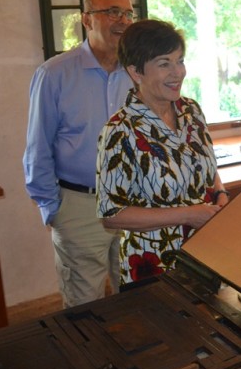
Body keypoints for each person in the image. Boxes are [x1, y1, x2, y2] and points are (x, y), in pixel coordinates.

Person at [23, 0, 136, 308]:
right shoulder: (55, 73)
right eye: (113, 12)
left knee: (138, 297)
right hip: (79, 204)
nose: (123, 21)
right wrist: (52, 209)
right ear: (87, 19)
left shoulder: (138, 72)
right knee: (84, 307)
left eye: (128, 14)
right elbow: (38, 147)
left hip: (135, 203)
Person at [96, 19, 229, 286]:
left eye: (180, 60)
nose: (177, 72)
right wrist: (188, 214)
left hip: (205, 255)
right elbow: (111, 216)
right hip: (152, 266)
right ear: (136, 72)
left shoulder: (191, 110)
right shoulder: (120, 129)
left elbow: (208, 169)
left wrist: (221, 194)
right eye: (164, 63)